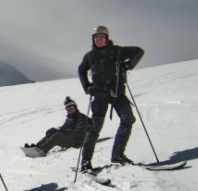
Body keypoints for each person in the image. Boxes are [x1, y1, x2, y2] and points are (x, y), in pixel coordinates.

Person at [78, 25, 144, 171]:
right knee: (95, 128)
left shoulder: (117, 51)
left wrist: (129, 65)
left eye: (101, 37)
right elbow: (81, 70)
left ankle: (117, 155)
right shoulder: (90, 56)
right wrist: (87, 87)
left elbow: (139, 51)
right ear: (93, 39)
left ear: (107, 38)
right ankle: (85, 162)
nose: (99, 40)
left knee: (128, 119)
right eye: (96, 38)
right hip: (99, 95)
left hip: (117, 93)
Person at [25, 96, 89, 156]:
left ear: (75, 107)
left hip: (76, 141)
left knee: (57, 136)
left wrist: (65, 131)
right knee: (52, 132)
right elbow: (64, 129)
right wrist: (56, 130)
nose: (69, 110)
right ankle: (36, 147)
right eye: (67, 108)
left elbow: (79, 132)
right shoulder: (70, 118)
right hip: (70, 138)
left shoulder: (80, 117)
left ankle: (41, 151)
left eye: (71, 108)